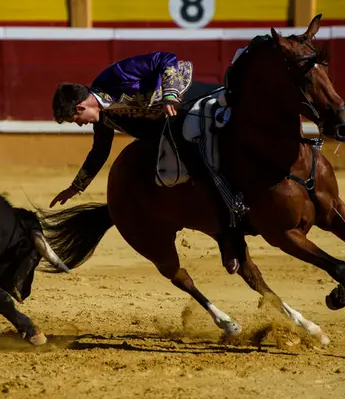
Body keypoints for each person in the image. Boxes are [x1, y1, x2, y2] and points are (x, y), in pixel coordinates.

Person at [48, 51, 244, 273]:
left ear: (80, 108)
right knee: (190, 171)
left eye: (75, 120)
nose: (79, 125)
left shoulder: (113, 77)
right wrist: (76, 186)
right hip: (172, 129)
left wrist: (170, 95)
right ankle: (228, 235)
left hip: (188, 99)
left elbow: (165, 58)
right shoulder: (104, 118)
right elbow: (100, 151)